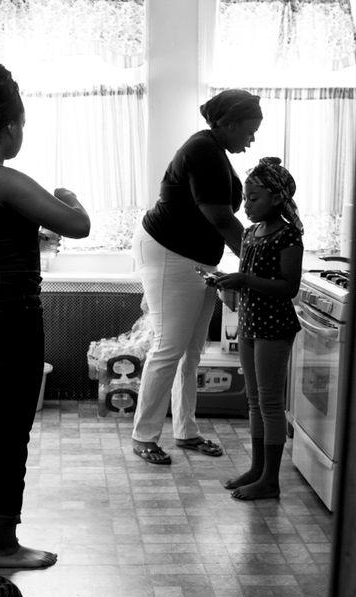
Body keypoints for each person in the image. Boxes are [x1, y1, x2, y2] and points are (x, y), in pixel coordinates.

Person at [0, 59, 90, 569]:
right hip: (13, 307)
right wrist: (68, 198)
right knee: (12, 426)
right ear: (10, 126)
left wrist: (14, 236)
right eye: (22, 123)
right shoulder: (4, 179)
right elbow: (78, 225)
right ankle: (4, 543)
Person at [130, 89, 264, 465]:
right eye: (249, 131)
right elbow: (220, 217)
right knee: (169, 347)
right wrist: (256, 262)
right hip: (170, 253)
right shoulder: (204, 150)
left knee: (191, 351)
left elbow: (221, 216)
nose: (251, 139)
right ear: (228, 124)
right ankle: (144, 436)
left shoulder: (215, 150)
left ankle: (186, 431)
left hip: (196, 259)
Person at [216, 157, 303, 500]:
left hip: (274, 326)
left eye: (254, 199)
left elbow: (288, 287)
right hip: (251, 322)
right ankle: (257, 469)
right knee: (254, 401)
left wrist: (244, 279)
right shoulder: (251, 233)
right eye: (246, 198)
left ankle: (271, 480)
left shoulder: (288, 235)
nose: (246, 205)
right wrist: (228, 285)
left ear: (277, 199)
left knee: (268, 402)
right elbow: (247, 278)